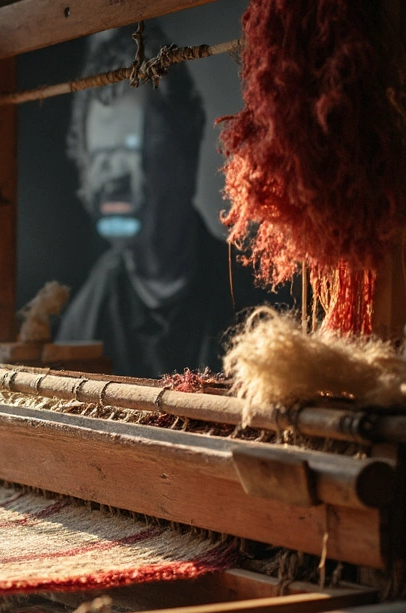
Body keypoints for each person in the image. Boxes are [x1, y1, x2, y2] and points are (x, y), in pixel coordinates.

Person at [55, 26, 264, 378]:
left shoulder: (258, 302)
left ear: (185, 151)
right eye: (102, 157)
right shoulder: (84, 321)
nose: (113, 180)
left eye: (130, 151)